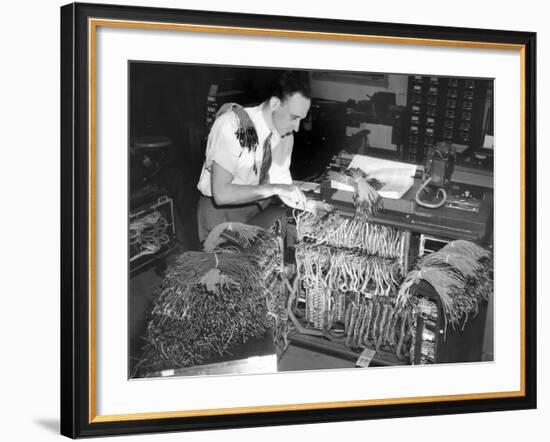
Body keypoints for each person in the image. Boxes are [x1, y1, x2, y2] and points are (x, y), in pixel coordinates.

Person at [196, 71, 311, 241]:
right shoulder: (233, 125)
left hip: (255, 208)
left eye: (301, 119)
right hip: (221, 214)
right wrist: (273, 189)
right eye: (294, 117)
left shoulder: (285, 135)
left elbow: (281, 184)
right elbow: (221, 194)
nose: (297, 127)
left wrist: (308, 205)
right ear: (274, 103)